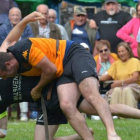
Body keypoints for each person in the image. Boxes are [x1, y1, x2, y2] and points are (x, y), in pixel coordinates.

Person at [0, 11, 121, 140]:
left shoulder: (23, 50)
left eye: (4, 75)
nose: (5, 78)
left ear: (8, 65)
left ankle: (112, 134)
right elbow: (9, 40)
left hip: (72, 54)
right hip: (60, 71)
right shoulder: (5, 59)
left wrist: (26, 19)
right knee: (66, 105)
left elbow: (50, 69)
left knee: (90, 93)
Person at [1, 75, 140, 139]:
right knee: (107, 109)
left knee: (105, 109)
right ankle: (80, 135)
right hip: (51, 99)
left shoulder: (6, 67)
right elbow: (3, 132)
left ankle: (81, 134)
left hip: (56, 93)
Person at [0, 7, 34, 121]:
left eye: (17, 15)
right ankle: (4, 119)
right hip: (7, 61)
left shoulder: (27, 27)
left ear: (20, 17)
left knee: (21, 88)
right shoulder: (3, 28)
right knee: (8, 88)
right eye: (13, 15)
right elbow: (4, 45)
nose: (15, 17)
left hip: (23, 60)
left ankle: (24, 114)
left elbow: (31, 42)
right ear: (9, 16)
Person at [99, 42, 140, 108]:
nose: (121, 53)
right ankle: (115, 114)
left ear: (128, 51)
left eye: (122, 51)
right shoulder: (117, 63)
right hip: (120, 87)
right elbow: (107, 76)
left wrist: (121, 82)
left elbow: (135, 78)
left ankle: (130, 114)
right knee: (116, 90)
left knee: (127, 90)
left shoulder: (134, 61)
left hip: (134, 87)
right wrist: (95, 79)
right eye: (119, 52)